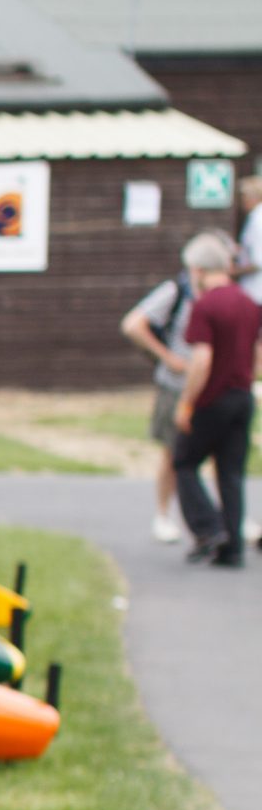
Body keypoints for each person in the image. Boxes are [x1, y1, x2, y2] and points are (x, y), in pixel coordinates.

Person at [169, 231, 258, 567]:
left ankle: (209, 528)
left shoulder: (205, 306)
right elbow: (257, 352)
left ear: (200, 269)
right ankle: (232, 548)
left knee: (185, 461)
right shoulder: (248, 303)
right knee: (230, 473)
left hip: (213, 397)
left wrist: (187, 401)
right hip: (242, 395)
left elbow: (202, 359)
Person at [122, 257, 201, 541]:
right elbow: (132, 324)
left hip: (212, 387)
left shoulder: (222, 294)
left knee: (220, 455)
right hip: (176, 384)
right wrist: (168, 357)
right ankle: (164, 516)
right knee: (172, 451)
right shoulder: (175, 291)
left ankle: (222, 519)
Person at [238, 174, 262, 278]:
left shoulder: (257, 219)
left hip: (256, 287)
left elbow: (258, 260)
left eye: (243, 196)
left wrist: (232, 271)